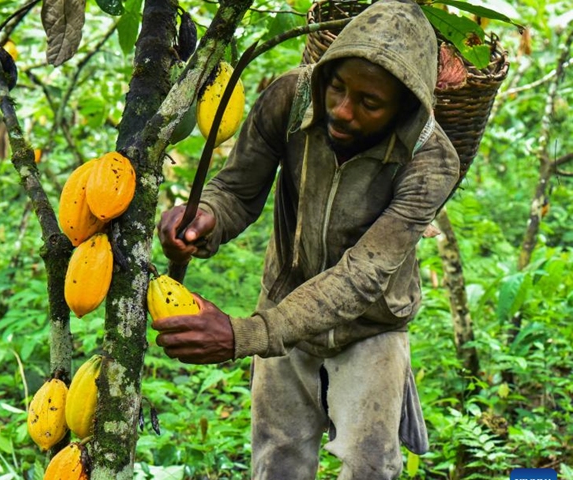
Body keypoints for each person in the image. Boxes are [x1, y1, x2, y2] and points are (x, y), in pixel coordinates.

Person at [152, 0, 461, 478]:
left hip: (371, 328)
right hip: (286, 300)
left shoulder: (431, 160)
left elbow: (362, 277)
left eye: (369, 103)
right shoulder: (290, 98)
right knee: (278, 463)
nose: (342, 109)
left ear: (401, 110)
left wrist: (245, 334)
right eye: (336, 88)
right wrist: (206, 218)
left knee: (369, 467)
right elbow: (237, 189)